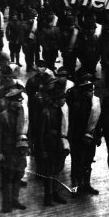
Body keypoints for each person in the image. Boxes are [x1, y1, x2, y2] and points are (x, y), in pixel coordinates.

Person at [0, 88, 29, 213]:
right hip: (8, 150)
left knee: (18, 176)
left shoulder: (23, 114)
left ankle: (15, 200)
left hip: (20, 150)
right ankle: (7, 204)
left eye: (20, 101)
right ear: (11, 102)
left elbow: (27, 131)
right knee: (7, 178)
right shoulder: (2, 116)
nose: (19, 103)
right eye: (17, 101)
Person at [67, 75, 101, 195]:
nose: (91, 93)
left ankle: (86, 184)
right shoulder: (77, 105)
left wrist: (98, 136)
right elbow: (73, 123)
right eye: (88, 91)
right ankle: (75, 187)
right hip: (78, 139)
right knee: (76, 163)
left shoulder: (95, 103)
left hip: (91, 138)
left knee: (88, 162)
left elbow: (98, 121)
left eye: (92, 91)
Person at [40, 78, 70, 206]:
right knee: (49, 173)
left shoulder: (61, 110)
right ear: (57, 100)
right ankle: (48, 197)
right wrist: (43, 150)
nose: (64, 101)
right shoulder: (46, 112)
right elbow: (40, 134)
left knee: (58, 170)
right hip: (50, 146)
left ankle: (56, 193)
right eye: (62, 99)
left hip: (59, 146)